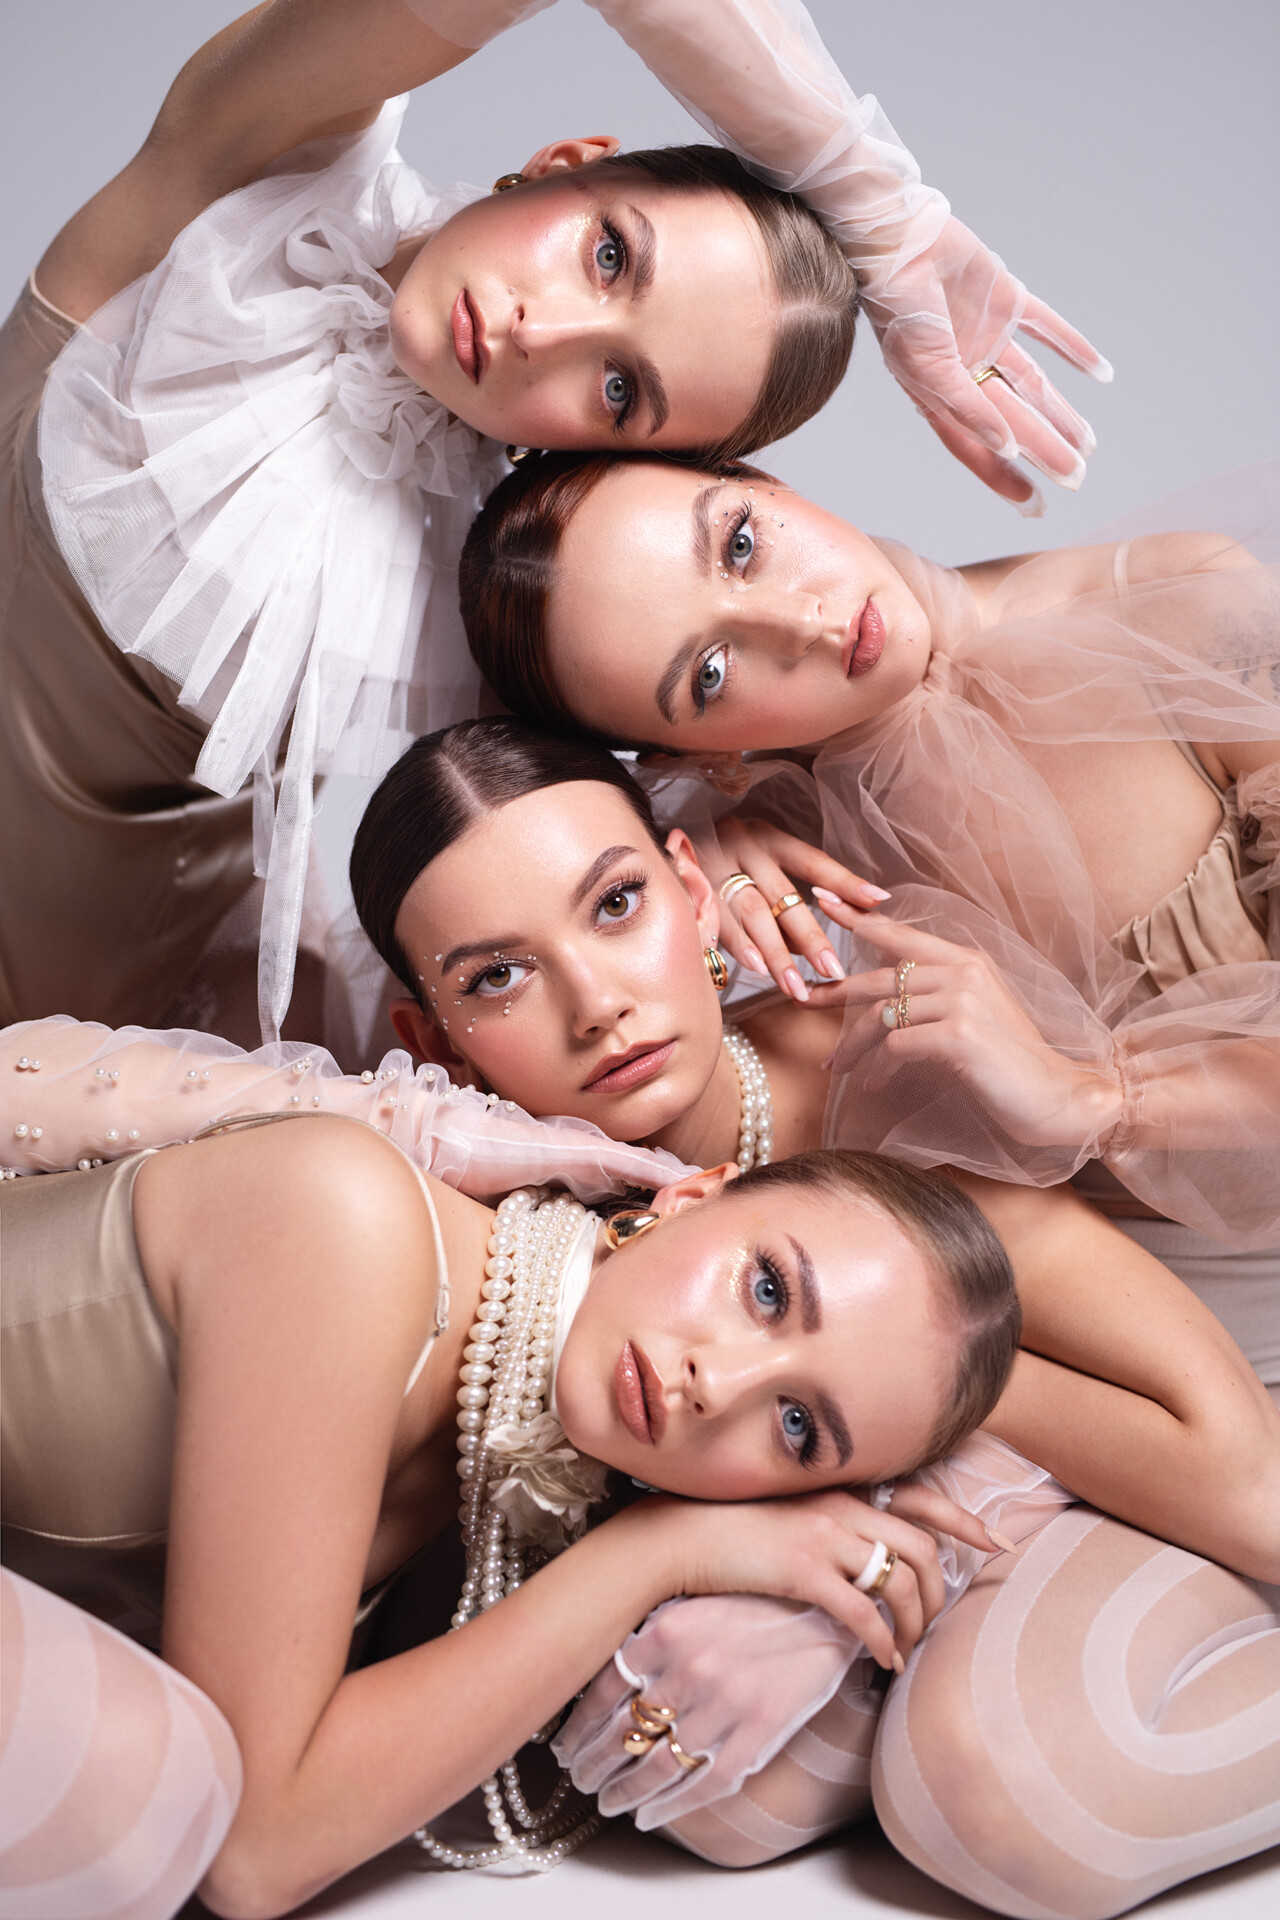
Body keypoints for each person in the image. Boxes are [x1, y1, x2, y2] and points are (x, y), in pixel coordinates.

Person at [1, 0, 1106, 1053]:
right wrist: (887, 218)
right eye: (609, 255)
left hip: (94, 1002)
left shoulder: (473, 600)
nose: (545, 334)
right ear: (566, 163)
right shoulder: (249, 182)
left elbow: (605, 812)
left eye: (619, 389)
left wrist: (699, 841)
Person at [2, 1104, 1027, 1916]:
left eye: (797, 1426)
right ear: (689, 1196)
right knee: (134, 1772)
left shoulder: (504, 1484)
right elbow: (248, 1845)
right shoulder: (347, 1224)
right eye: (765, 1290)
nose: (717, 1385)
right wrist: (658, 1552)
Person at [460, 450, 1280, 1269]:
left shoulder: (1181, 608)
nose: (802, 623)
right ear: (687, 756)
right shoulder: (779, 827)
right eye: (710, 673)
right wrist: (692, 845)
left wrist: (1105, 1101)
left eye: (740, 544)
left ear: (763, 479)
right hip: (1106, 1281)